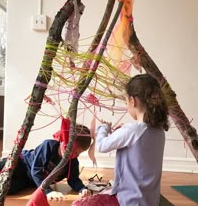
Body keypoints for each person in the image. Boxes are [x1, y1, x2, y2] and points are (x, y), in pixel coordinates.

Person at [72, 73, 169, 206]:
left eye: (126, 102)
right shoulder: (159, 131)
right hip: (150, 200)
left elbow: (101, 145)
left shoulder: (131, 130)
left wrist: (103, 129)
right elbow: (137, 142)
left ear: (133, 101)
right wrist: (123, 131)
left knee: (78, 204)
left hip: (129, 201)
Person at [0, 123, 92, 201]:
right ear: (63, 141)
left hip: (29, 180)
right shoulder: (49, 146)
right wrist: (47, 191)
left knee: (9, 189)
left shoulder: (72, 162)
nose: (73, 155)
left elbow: (73, 179)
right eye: (72, 150)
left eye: (77, 154)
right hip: (21, 163)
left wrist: (82, 188)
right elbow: (36, 170)